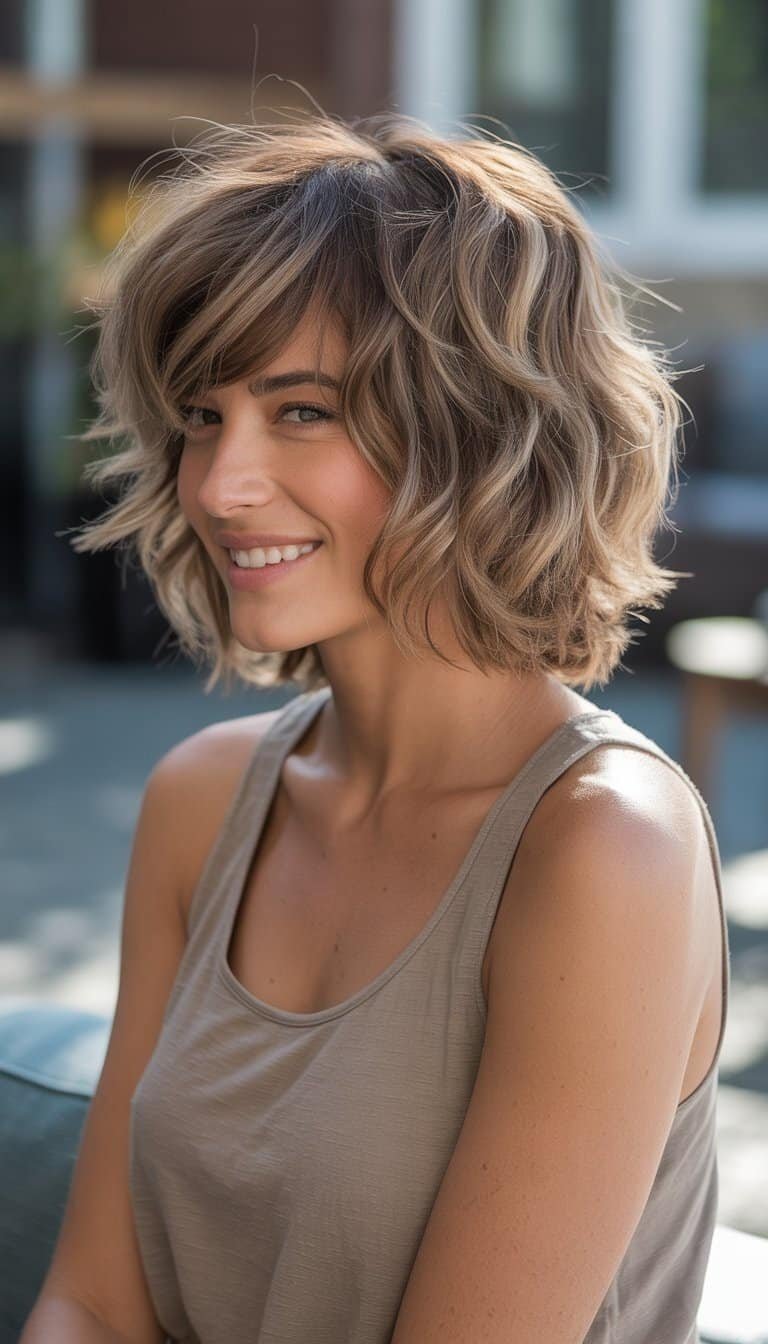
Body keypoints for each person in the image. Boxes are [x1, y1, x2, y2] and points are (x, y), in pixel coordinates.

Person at [22, 108, 729, 1344]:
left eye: (301, 411)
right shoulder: (202, 802)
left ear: (479, 428)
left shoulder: (606, 851)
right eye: (202, 414)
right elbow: (91, 1299)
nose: (223, 482)